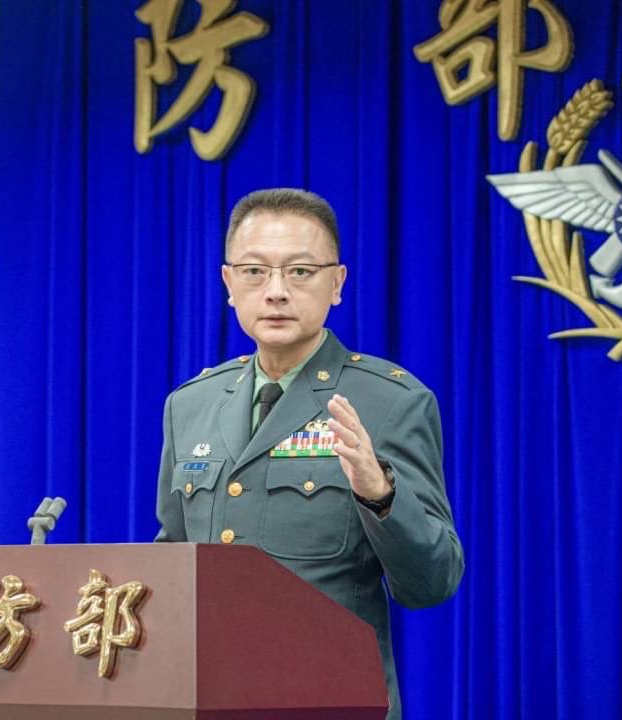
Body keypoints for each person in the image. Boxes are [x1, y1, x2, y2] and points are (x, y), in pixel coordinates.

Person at [154, 188, 464, 719]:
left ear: (337, 283)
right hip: (212, 701)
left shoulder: (390, 402)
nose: (276, 292)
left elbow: (432, 583)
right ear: (228, 284)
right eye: (255, 272)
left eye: (300, 272)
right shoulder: (191, 404)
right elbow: (172, 563)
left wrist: (380, 494)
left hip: (330, 700)